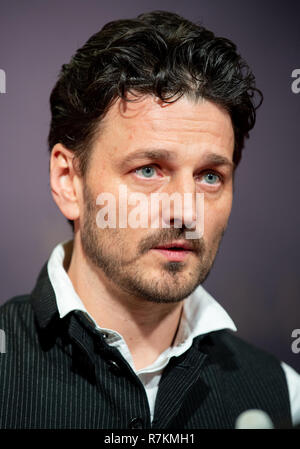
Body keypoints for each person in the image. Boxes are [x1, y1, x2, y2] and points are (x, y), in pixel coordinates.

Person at [0, 10, 299, 429]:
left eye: (210, 176)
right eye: (149, 169)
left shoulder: (284, 396)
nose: (185, 210)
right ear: (69, 181)